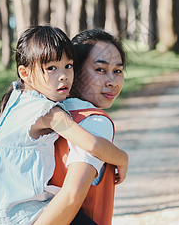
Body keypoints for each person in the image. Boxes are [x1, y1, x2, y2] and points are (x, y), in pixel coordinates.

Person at [0, 26, 128, 224]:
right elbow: (92, 145)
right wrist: (122, 159)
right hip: (25, 217)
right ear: (25, 73)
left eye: (68, 66)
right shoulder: (50, 112)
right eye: (52, 68)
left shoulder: (15, 100)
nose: (63, 76)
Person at [35, 29, 128, 225]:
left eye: (117, 71)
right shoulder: (95, 121)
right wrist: (122, 157)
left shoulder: (44, 110)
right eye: (100, 70)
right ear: (74, 72)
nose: (112, 82)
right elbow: (71, 196)